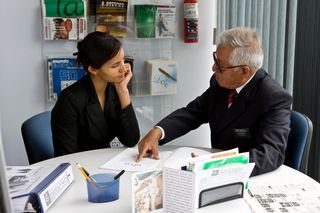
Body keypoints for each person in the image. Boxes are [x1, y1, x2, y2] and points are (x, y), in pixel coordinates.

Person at [136, 27, 292, 176]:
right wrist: (158, 132)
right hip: (212, 176)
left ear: (244, 71)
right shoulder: (221, 83)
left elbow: (271, 154)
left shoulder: (273, 97)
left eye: (220, 66)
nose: (213, 68)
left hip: (248, 178)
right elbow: (193, 113)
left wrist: (218, 164)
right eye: (215, 59)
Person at [51, 31, 140, 156]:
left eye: (123, 60)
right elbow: (66, 157)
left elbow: (131, 140)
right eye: (115, 65)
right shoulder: (69, 100)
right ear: (93, 69)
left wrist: (123, 91)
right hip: (81, 167)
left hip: (103, 161)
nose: (124, 69)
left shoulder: (115, 89)